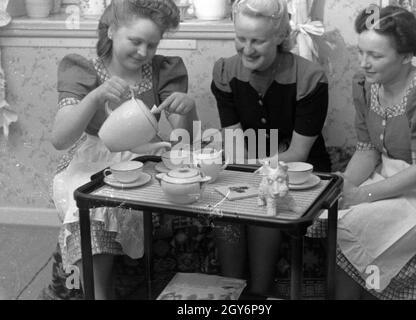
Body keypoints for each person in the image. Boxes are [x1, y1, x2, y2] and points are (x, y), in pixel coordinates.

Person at [51, 0, 197, 299]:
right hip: (93, 162)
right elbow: (59, 138)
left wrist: (188, 110)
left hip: (145, 160)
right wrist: (93, 98)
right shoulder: (82, 70)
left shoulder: (163, 71)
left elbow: (185, 143)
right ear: (113, 29)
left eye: (152, 45)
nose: (144, 52)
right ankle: (99, 294)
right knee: (95, 208)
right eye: (136, 41)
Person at [309, 5, 416, 300]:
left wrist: (363, 196)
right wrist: (345, 185)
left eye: (375, 56)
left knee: (357, 222)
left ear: (406, 56)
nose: (364, 63)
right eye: (361, 52)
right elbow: (367, 149)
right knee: (333, 216)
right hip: (386, 174)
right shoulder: (363, 85)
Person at [210, 0, 331, 296]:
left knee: (266, 205)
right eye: (241, 38)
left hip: (300, 173)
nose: (247, 48)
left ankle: (257, 296)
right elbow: (235, 144)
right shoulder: (225, 73)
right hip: (247, 164)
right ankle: (231, 295)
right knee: (226, 208)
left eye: (257, 41)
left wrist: (249, 175)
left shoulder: (310, 78)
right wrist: (239, 176)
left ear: (278, 37)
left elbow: (297, 154)